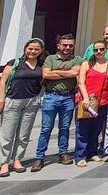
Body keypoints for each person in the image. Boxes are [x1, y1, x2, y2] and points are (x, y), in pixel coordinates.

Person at [0, 38, 45, 176]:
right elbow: (2, 82)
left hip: (31, 101)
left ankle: (17, 160)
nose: (33, 51)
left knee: (24, 134)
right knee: (7, 133)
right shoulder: (14, 63)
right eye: (30, 48)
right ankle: (4, 163)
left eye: (36, 49)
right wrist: (1, 100)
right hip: (13, 101)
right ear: (25, 49)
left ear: (41, 51)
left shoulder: (42, 64)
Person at [33, 34, 80, 170]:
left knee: (65, 127)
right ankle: (40, 157)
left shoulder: (77, 59)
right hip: (51, 97)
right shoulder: (50, 58)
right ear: (58, 46)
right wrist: (67, 73)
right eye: (65, 45)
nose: (67, 48)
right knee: (46, 128)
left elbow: (75, 73)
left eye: (70, 45)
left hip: (68, 97)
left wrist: (57, 72)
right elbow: (46, 74)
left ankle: (63, 153)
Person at [74, 42, 108, 166]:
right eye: (96, 50)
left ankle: (92, 152)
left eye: (102, 49)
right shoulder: (86, 64)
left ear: (106, 50)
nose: (99, 52)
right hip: (87, 100)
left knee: (96, 128)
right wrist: (85, 98)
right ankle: (80, 155)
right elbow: (81, 82)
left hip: (102, 101)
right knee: (83, 128)